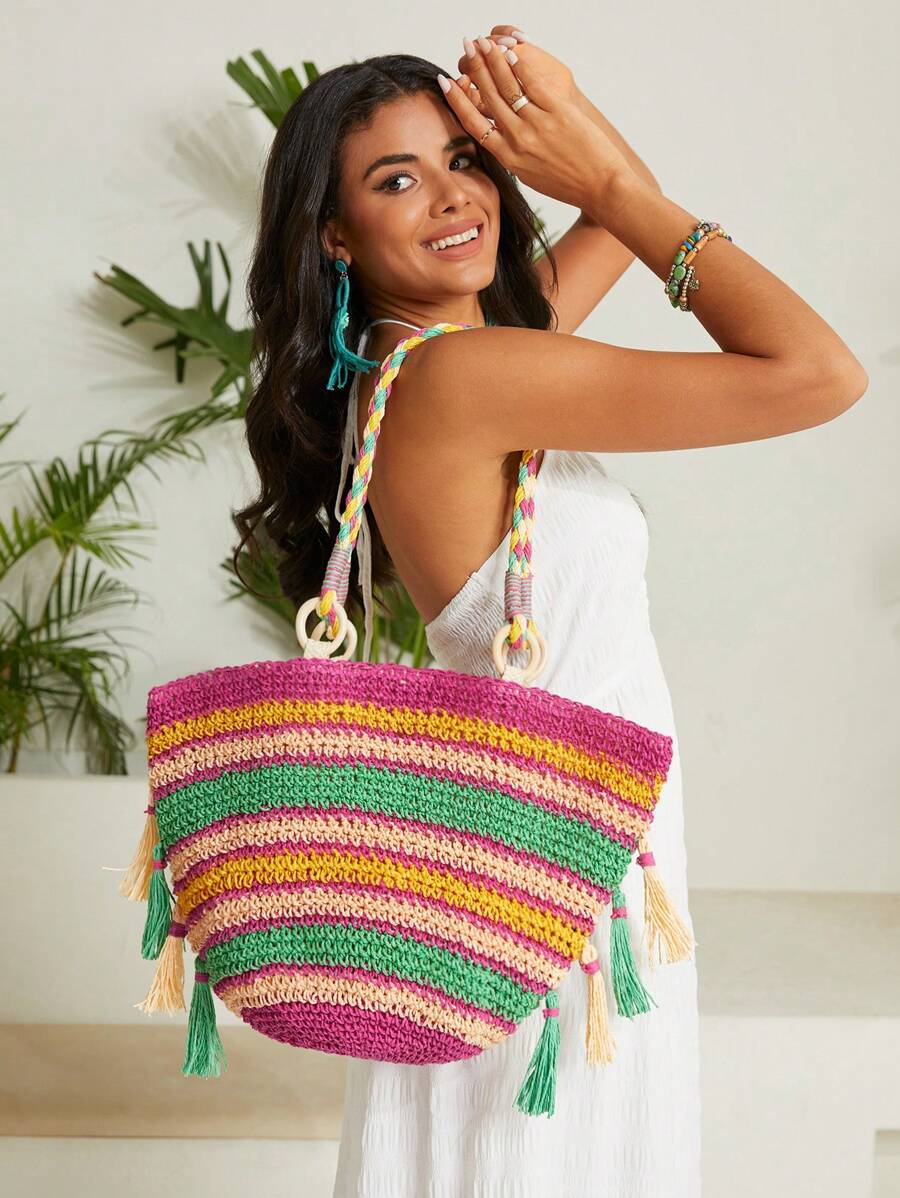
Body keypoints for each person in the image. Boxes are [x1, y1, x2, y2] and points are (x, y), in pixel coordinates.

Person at [233, 25, 868, 1198]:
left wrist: (568, 136)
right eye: (396, 180)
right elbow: (820, 374)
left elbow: (615, 222)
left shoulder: (431, 361)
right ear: (333, 234)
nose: (452, 196)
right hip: (561, 865)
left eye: (467, 158)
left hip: (541, 844)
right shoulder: (465, 378)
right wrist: (610, 184)